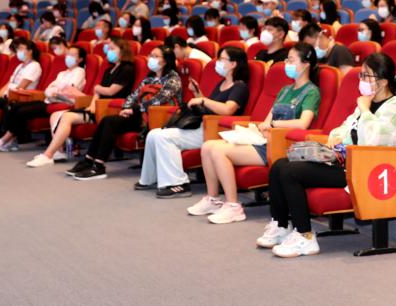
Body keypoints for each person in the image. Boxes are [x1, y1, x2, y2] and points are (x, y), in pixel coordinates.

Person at [258, 53, 396, 258]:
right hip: (342, 160)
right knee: (280, 165)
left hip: (363, 169)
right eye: (361, 75)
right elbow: (342, 129)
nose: (362, 80)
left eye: (367, 76)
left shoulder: (395, 107)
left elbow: (375, 140)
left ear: (382, 81)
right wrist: (337, 137)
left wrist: (365, 110)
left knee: (291, 172)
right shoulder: (366, 103)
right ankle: (281, 225)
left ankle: (305, 236)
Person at [187, 44, 321, 224]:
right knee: (208, 146)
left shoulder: (311, 92)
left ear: (306, 64)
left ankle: (233, 206)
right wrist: (261, 127)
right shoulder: (285, 90)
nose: (286, 64)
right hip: (264, 139)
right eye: (286, 59)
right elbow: (268, 119)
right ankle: (213, 199)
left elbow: (302, 124)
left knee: (219, 151)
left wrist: (273, 125)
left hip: (282, 145)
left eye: (291, 60)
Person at [136, 45, 249, 198]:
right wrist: (197, 93)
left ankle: (178, 184)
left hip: (216, 129)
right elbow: (209, 105)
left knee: (164, 137)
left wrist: (203, 100)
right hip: (203, 124)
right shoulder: (221, 84)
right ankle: (149, 178)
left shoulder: (240, 86)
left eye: (222, 59)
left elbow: (228, 109)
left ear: (234, 63)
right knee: (154, 134)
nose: (217, 62)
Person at [68, 46, 182, 180]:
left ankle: (98, 166)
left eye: (155, 56)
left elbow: (158, 100)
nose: (151, 59)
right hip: (140, 115)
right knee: (107, 120)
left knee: (110, 123)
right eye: (150, 55)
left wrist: (133, 109)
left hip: (158, 118)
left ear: (166, 60)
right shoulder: (149, 78)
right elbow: (133, 95)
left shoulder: (173, 79)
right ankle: (89, 161)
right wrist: (126, 108)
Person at [27, 40, 136, 167]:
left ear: (123, 50)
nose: (109, 51)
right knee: (55, 115)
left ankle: (48, 155)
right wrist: (92, 104)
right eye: (109, 49)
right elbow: (97, 93)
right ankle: (58, 151)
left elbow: (111, 91)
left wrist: (97, 88)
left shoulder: (127, 68)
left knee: (67, 116)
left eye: (112, 49)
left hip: (110, 108)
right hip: (97, 105)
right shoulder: (109, 70)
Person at [0, 45, 88, 152]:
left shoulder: (79, 71)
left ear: (80, 59)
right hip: (49, 100)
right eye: (67, 54)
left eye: (72, 55)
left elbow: (68, 90)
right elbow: (48, 89)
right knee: (15, 106)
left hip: (61, 103)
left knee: (22, 111)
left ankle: (5, 140)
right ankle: (11, 140)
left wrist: (55, 90)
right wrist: (55, 90)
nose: (68, 57)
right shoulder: (62, 73)